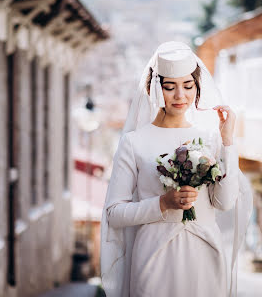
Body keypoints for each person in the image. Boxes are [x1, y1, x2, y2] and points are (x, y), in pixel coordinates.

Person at [100, 41, 253, 297]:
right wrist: (162, 203)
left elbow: (225, 202)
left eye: (188, 86)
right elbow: (114, 213)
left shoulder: (211, 137)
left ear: (198, 87)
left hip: (205, 252)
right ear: (155, 90)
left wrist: (228, 142)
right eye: (170, 87)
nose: (180, 96)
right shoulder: (135, 142)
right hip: (154, 255)